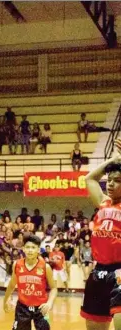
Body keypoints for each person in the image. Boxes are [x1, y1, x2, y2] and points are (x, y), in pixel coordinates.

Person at [81, 138, 121, 329]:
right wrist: (114, 159)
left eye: (118, 181)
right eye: (109, 180)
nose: (111, 184)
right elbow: (89, 178)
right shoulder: (103, 201)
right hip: (99, 272)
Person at [3, 235, 57, 330]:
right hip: (22, 307)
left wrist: (49, 303)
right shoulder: (17, 264)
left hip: (41, 308)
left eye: (33, 247)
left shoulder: (45, 267)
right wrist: (5, 300)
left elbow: (54, 288)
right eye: (27, 247)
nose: (30, 250)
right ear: (23, 249)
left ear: (38, 250)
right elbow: (12, 284)